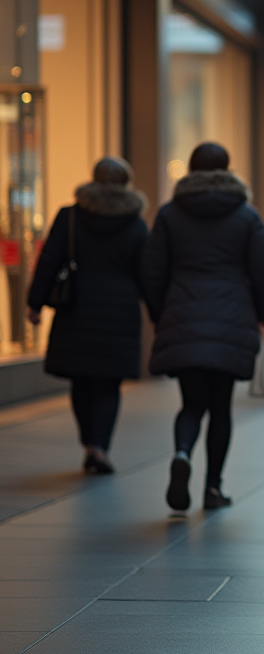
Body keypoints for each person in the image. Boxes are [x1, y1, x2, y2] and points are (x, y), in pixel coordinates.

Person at [142, 142, 264, 512]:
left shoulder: (170, 214)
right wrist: (263, 315)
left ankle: (183, 453)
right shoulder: (246, 216)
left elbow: (152, 271)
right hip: (232, 318)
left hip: (182, 315)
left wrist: (159, 314)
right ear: (227, 169)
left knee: (190, 404)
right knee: (220, 407)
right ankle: (212, 488)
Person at [26, 157, 148, 474]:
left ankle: (89, 443)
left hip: (76, 309)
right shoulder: (135, 224)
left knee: (81, 380)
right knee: (108, 383)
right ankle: (99, 445)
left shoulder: (71, 217)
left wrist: (35, 302)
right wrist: (160, 311)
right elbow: (147, 273)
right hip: (119, 312)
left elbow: (49, 260)